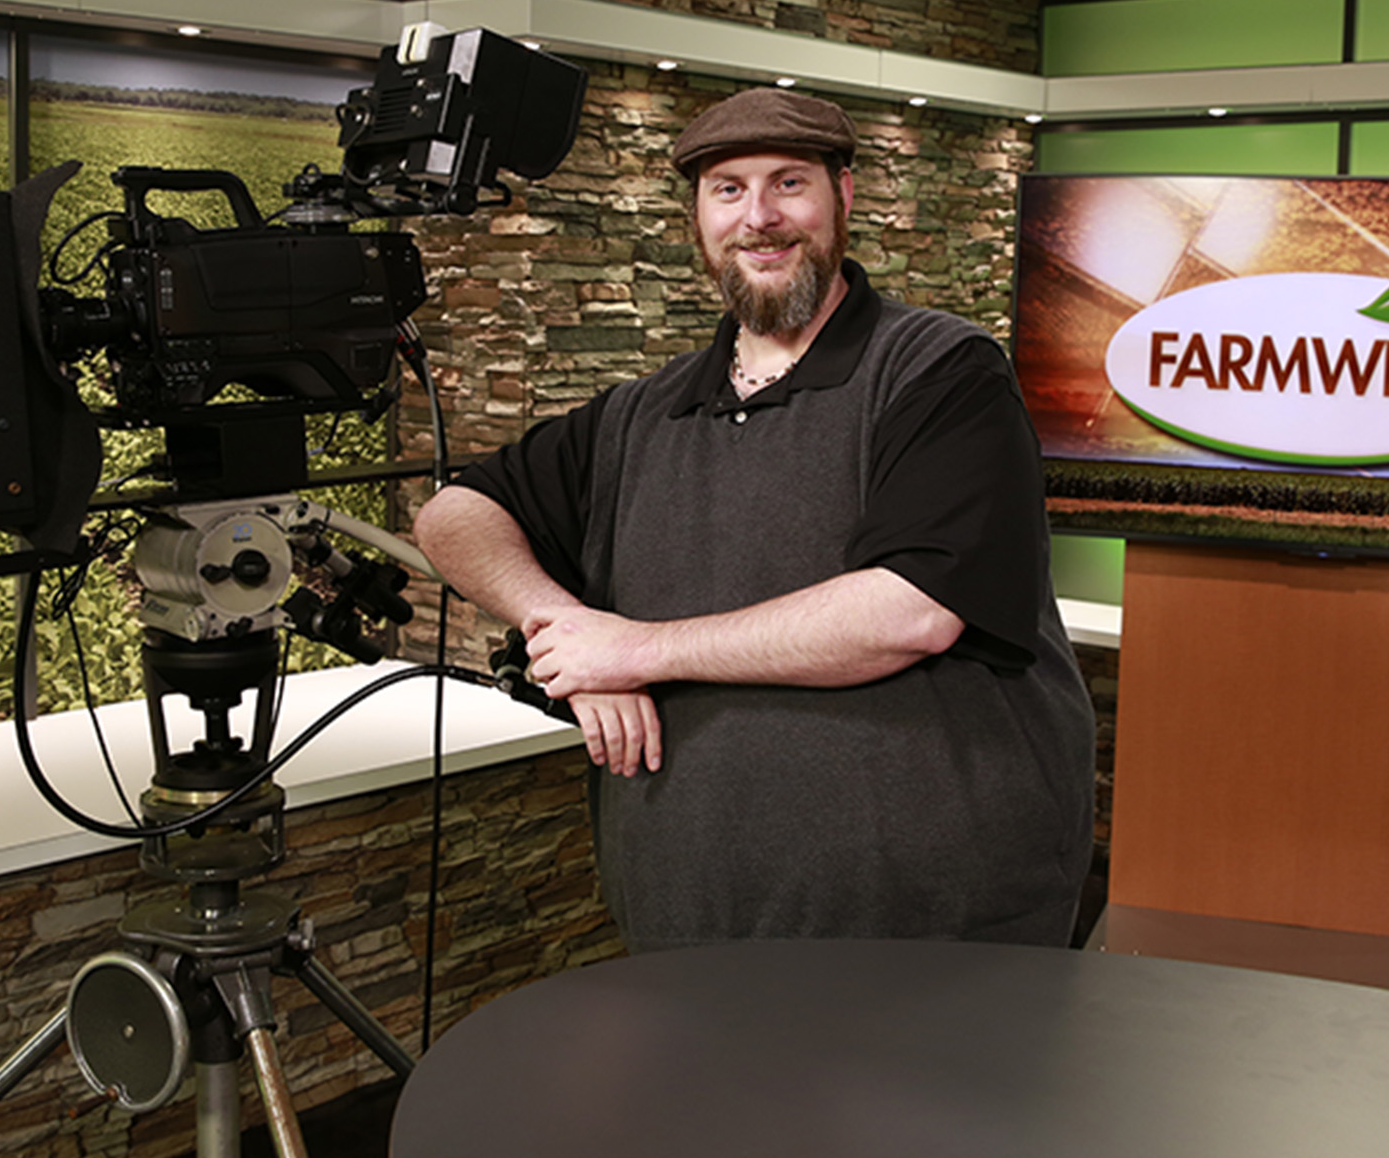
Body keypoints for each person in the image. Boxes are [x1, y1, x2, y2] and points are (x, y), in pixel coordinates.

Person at [413, 87, 1095, 952]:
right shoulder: (642, 415)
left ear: (843, 197)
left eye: (788, 184)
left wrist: (637, 650)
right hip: (689, 930)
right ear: (698, 217)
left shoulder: (941, 373)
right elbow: (454, 516)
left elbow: (909, 612)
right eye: (728, 189)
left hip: (931, 934)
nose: (759, 217)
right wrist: (568, 633)